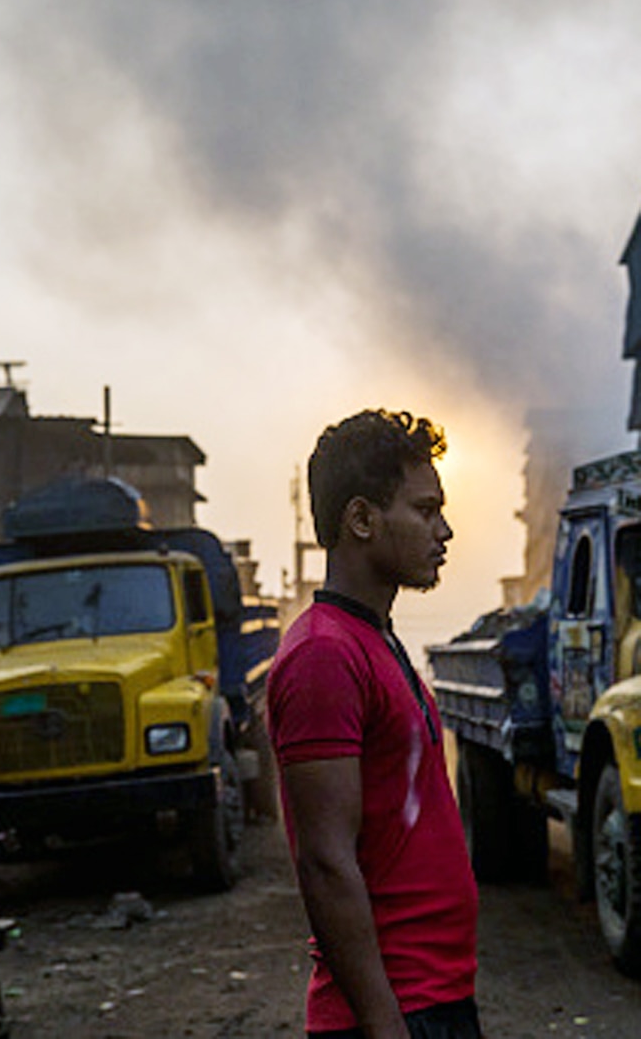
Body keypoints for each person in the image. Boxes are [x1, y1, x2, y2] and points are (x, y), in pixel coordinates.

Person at [267, 409, 481, 1039]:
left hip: (432, 996)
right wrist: (384, 1026)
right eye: (424, 510)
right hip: (395, 1012)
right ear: (361, 519)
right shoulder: (324, 656)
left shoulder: (373, 640)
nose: (443, 531)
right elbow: (325, 862)